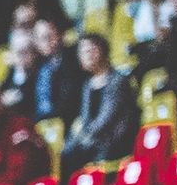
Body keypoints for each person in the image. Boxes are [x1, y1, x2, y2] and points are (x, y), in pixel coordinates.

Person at [63, 33, 141, 169]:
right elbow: (85, 118)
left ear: (102, 50)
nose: (86, 56)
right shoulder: (87, 85)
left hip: (115, 139)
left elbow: (108, 117)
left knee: (82, 154)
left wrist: (88, 138)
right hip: (95, 139)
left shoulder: (117, 80)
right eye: (82, 52)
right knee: (67, 154)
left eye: (90, 50)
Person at [29, 18, 83, 128]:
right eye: (41, 38)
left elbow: (68, 103)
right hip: (41, 124)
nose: (46, 41)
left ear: (60, 35)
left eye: (49, 36)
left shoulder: (72, 61)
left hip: (64, 125)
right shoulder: (37, 65)